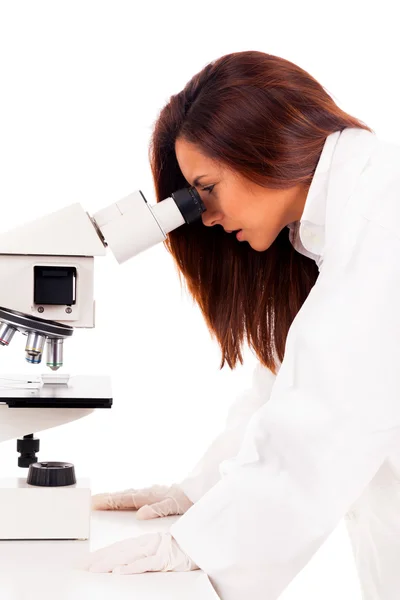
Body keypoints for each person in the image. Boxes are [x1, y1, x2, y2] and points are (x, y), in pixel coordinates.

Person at [86, 50, 400, 600]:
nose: (204, 216)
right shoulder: (336, 228)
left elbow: (331, 417)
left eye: (207, 187)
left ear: (265, 148)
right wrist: (199, 493)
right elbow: (284, 396)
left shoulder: (380, 221)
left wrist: (204, 545)